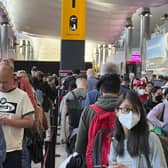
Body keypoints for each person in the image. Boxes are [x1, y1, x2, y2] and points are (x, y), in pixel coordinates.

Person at [109, 91, 167, 168]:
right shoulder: (116, 140)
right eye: (126, 109)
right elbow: (112, 164)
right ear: (116, 112)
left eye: (135, 110)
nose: (131, 114)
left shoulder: (151, 139)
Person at [75, 74, 121, 167]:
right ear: (119, 91)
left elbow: (80, 146)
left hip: (95, 163)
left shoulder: (89, 111)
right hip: (121, 163)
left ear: (100, 91)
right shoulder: (127, 110)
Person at [0, 59, 34, 168]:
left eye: (4, 82)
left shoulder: (22, 96)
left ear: (13, 77)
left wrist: (9, 121)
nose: (1, 85)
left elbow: (29, 122)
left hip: (13, 150)